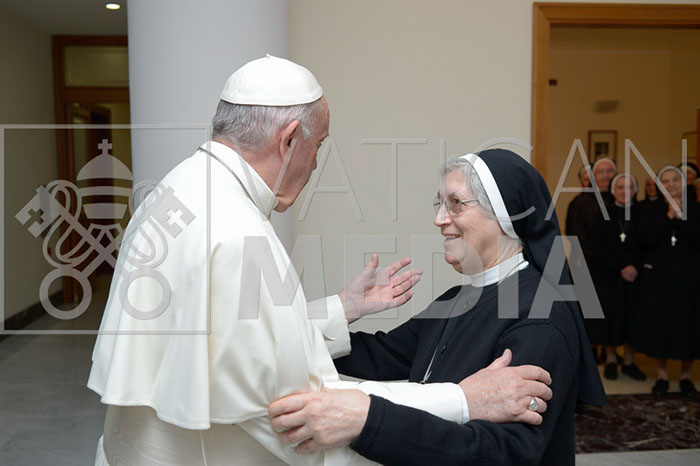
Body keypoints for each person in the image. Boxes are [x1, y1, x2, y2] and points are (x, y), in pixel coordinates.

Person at [87, 56, 553, 465]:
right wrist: (462, 400)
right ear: (290, 140)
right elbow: (307, 410)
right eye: (320, 146)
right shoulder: (236, 231)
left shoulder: (178, 189)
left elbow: (228, 337)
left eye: (456, 204)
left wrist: (340, 309)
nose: (314, 165)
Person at [270, 150, 606, 466]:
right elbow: (379, 355)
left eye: (456, 204)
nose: (439, 219)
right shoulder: (456, 299)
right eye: (440, 203)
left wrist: (368, 421)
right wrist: (343, 308)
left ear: (505, 215)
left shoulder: (540, 315)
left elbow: (507, 452)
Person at [636, 166, 700, 398]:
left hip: (690, 279)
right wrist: (668, 217)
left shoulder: (696, 208)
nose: (671, 184)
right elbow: (645, 240)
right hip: (658, 280)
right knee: (660, 327)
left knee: (688, 327)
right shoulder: (649, 209)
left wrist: (680, 216)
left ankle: (685, 377)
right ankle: (662, 376)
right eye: (666, 181)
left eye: (675, 180)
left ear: (684, 183)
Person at [587, 174, 646, 381]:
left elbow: (649, 245)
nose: (624, 191)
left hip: (636, 276)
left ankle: (629, 361)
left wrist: (634, 267)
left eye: (629, 187)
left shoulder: (643, 213)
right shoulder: (603, 213)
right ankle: (611, 359)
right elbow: (596, 248)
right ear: (613, 190)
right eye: (620, 187)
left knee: (633, 319)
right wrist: (621, 267)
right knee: (610, 318)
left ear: (635, 190)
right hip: (609, 275)